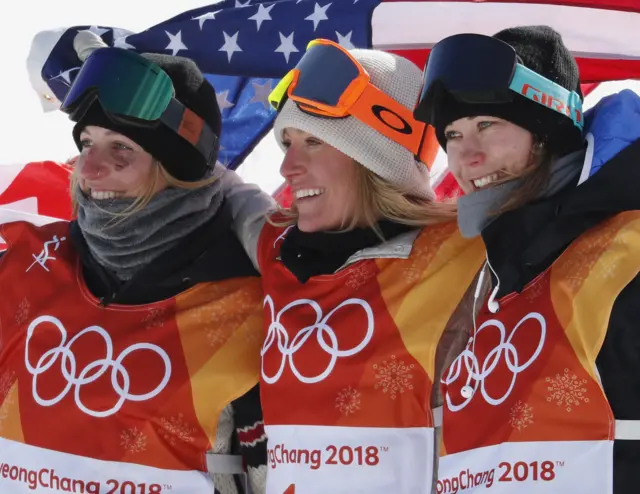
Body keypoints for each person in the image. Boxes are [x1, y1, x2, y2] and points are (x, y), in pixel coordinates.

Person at [0, 38, 267, 494]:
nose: (89, 171)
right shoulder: (25, 268)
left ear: (178, 167)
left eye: (121, 148)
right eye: (87, 143)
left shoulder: (253, 306)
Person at [221, 39, 487, 493]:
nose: (288, 166)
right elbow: (219, 190)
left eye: (314, 142)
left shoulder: (468, 254)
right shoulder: (279, 248)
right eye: (287, 141)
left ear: (375, 158)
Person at [413, 25, 640, 493]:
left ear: (548, 127)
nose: (466, 156)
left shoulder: (628, 247)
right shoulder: (493, 270)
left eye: (488, 125)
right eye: (453, 134)